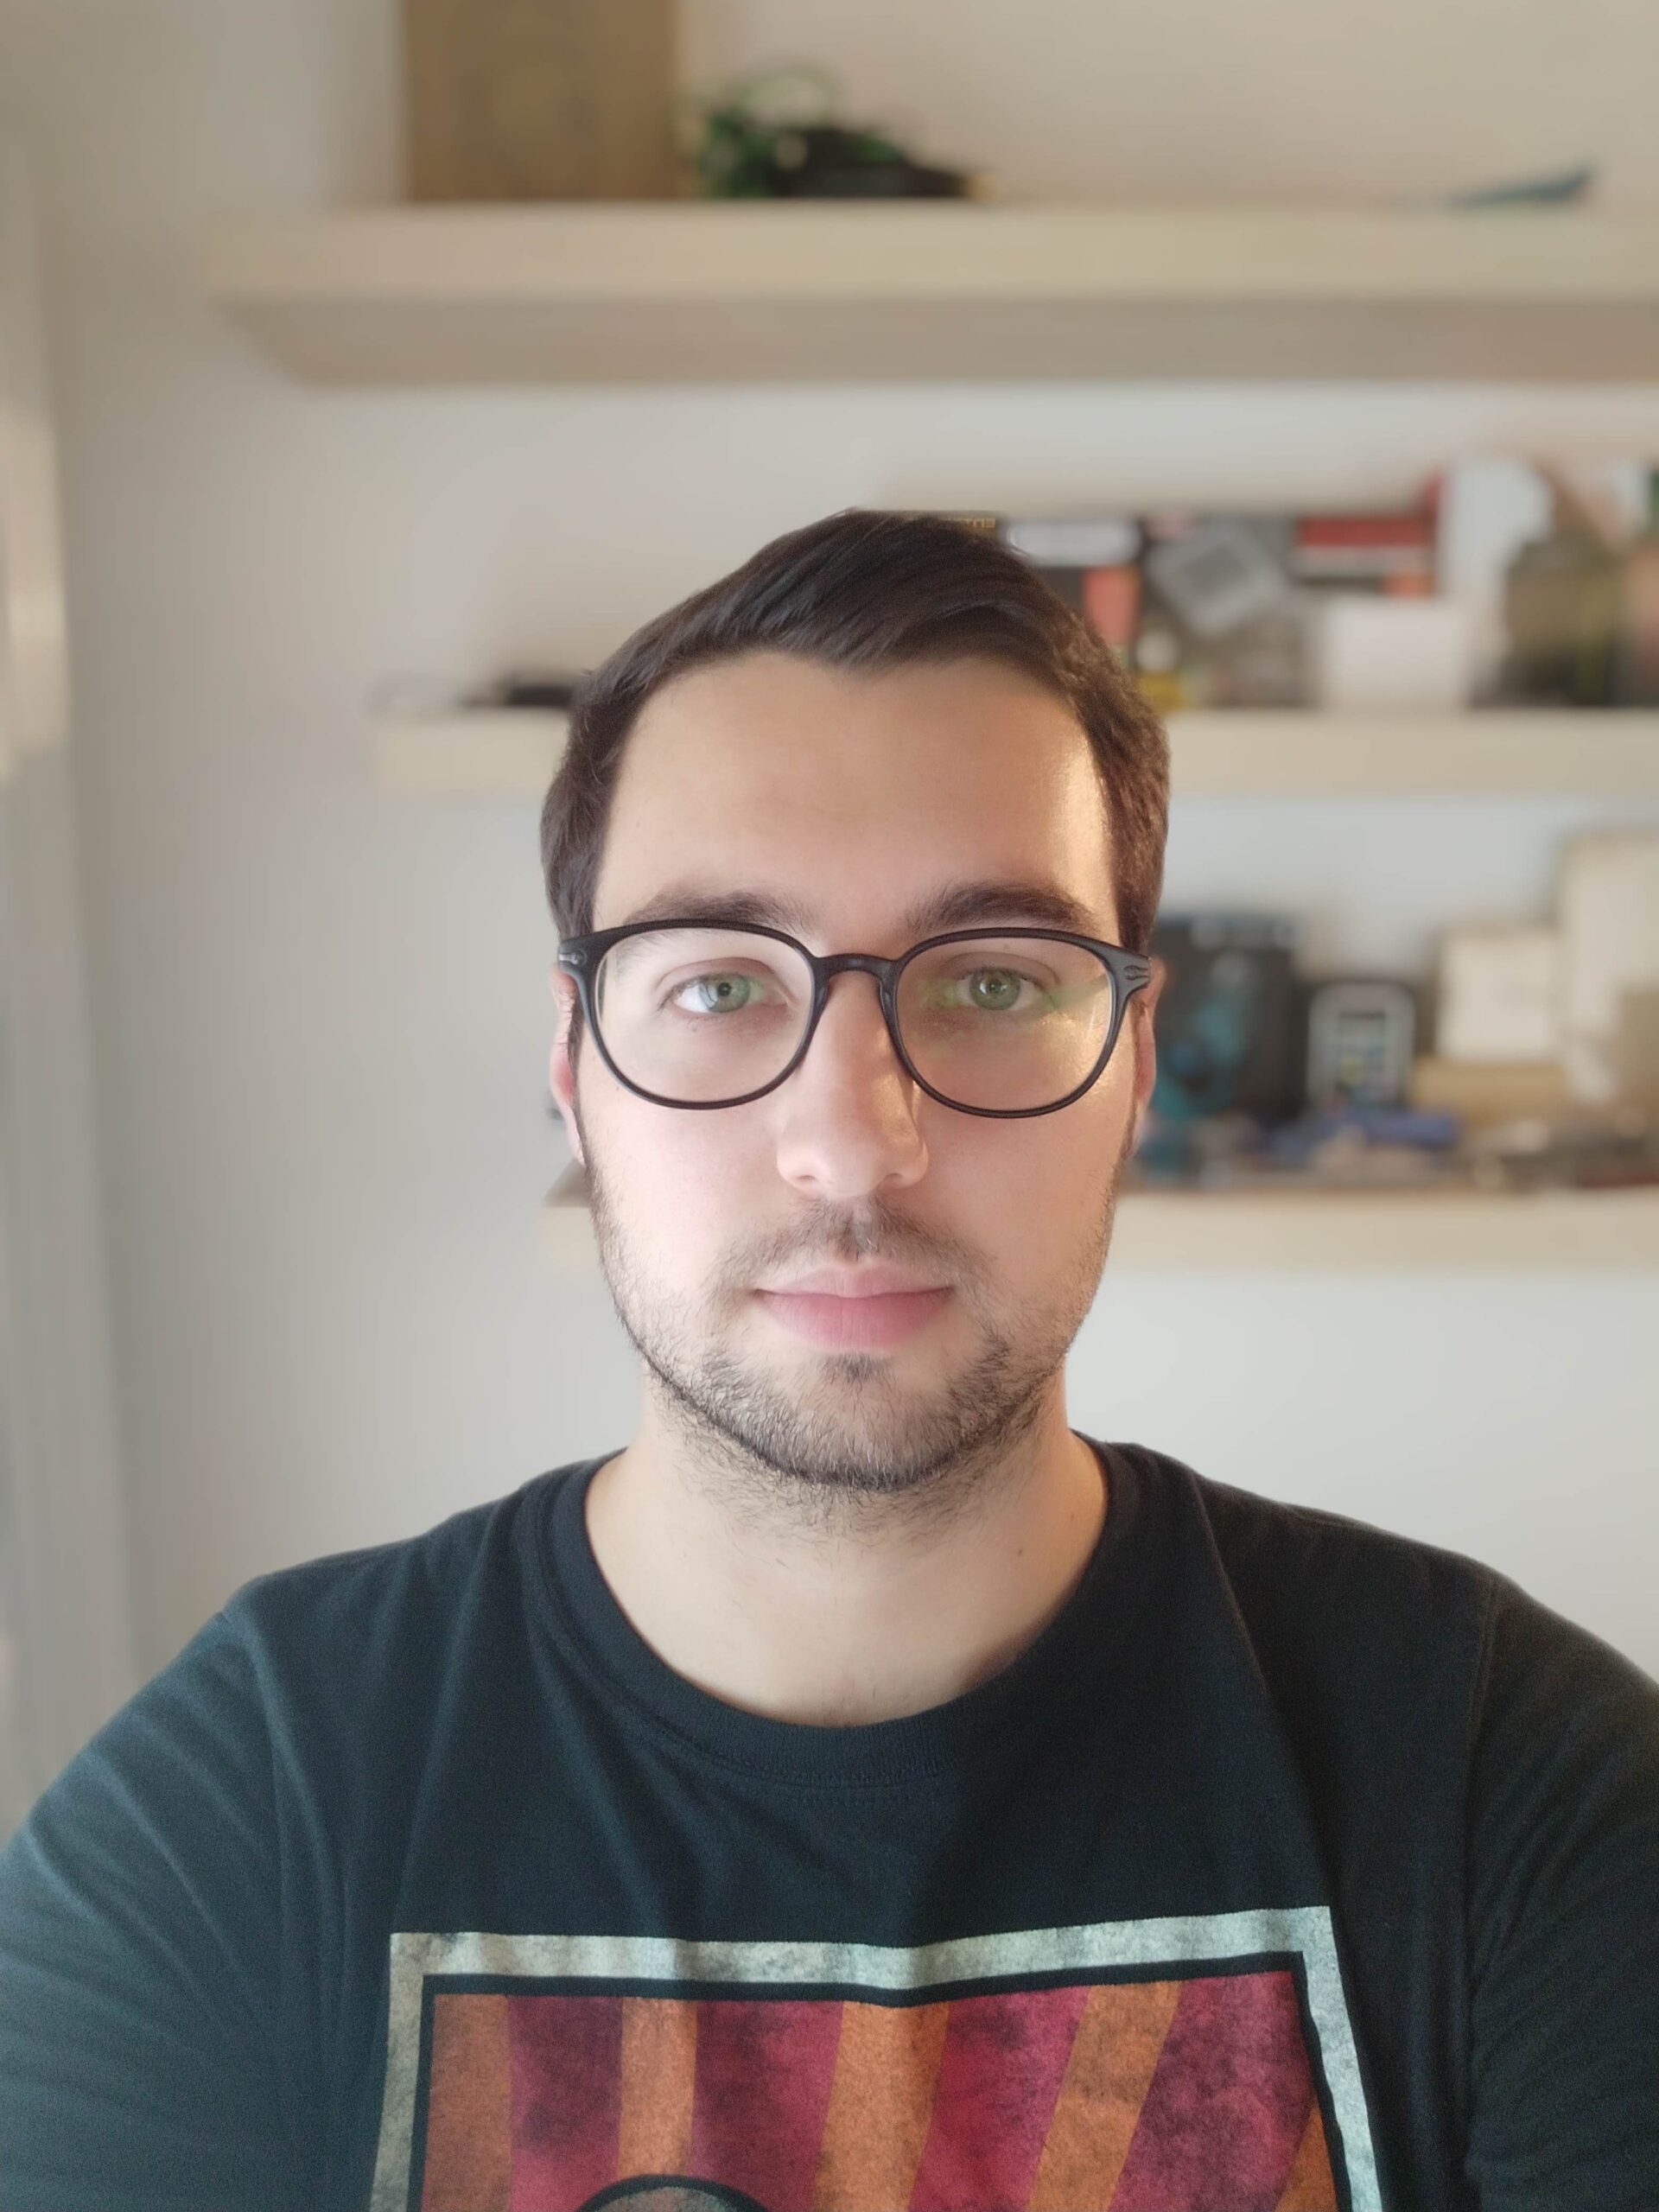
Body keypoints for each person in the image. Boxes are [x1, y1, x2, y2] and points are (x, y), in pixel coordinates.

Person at [1, 510, 1656, 2212]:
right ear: (575, 1068)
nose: (854, 1145)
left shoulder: (1504, 1784)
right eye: (721, 985)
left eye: (993, 984)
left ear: (1137, 1064)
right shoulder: (245, 1810)